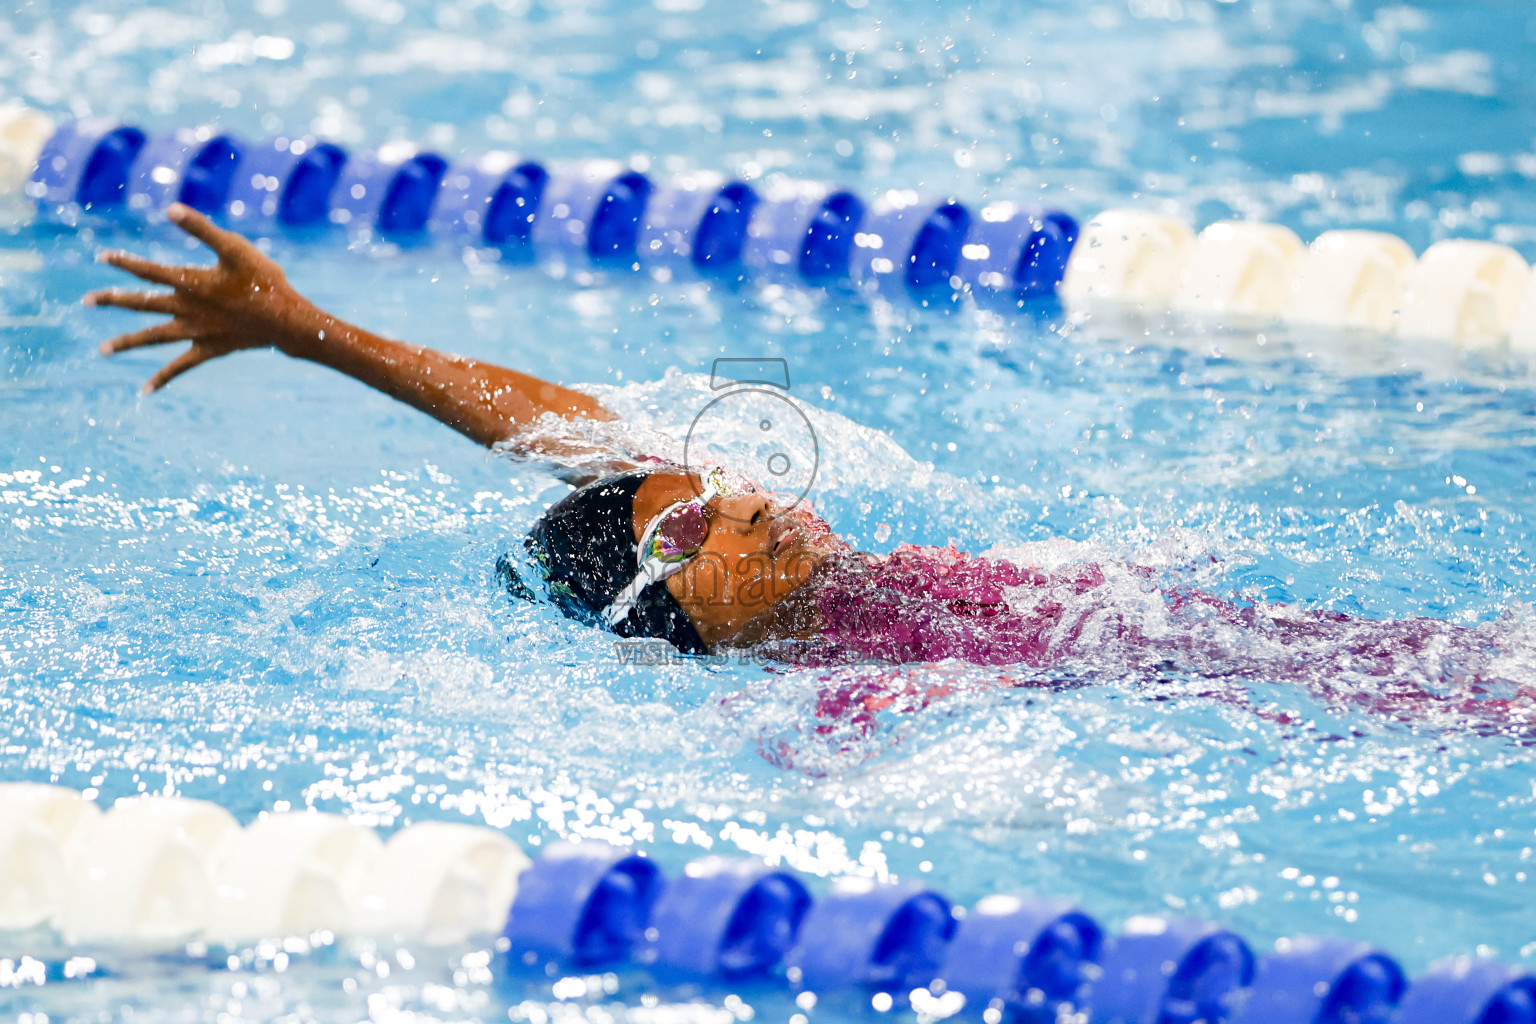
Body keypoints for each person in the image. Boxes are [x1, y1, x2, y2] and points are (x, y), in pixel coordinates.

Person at [86, 206, 1536, 734]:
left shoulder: (910, 583)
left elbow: (557, 424)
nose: (749, 492)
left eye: (709, 475)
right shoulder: (848, 696)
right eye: (697, 522)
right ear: (681, 616)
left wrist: (311, 333)